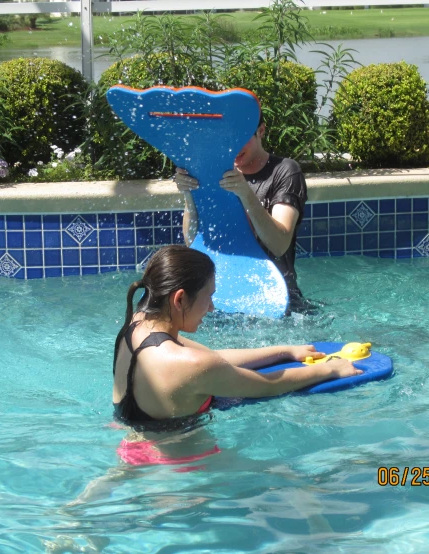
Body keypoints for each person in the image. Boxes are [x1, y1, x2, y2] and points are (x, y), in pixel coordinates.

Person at [112, 245, 361, 429]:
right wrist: (331, 370)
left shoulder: (135, 328)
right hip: (184, 468)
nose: (211, 308)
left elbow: (212, 359)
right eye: (208, 297)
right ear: (179, 299)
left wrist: (285, 351)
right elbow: (268, 386)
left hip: (135, 447)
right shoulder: (190, 365)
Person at [174, 115, 310, 313]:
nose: (233, 146)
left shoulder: (285, 171)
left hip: (279, 300)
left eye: (241, 137)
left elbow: (279, 244)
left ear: (261, 131)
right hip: (223, 301)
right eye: (227, 138)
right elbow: (193, 241)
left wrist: (245, 193)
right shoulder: (214, 174)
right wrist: (189, 194)